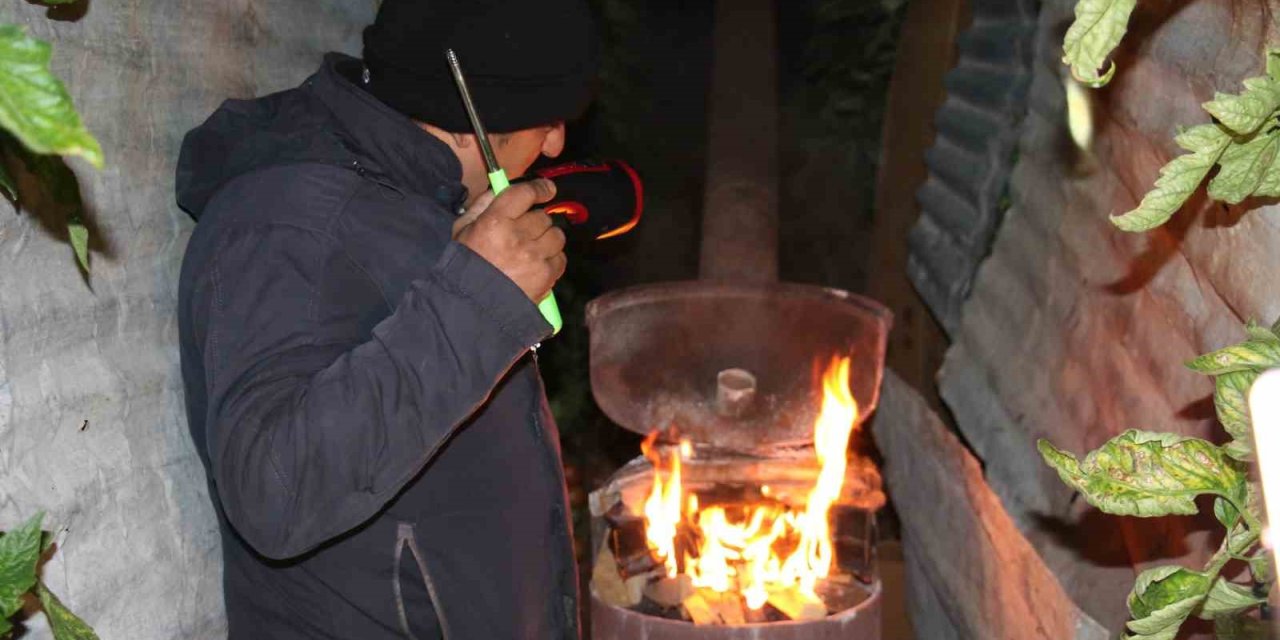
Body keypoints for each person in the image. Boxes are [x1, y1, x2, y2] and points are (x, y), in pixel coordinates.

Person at [174, 1, 598, 637]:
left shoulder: (413, 204)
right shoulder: (286, 221)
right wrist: (478, 299)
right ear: (469, 115)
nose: (558, 142)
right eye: (548, 116)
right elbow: (273, 487)